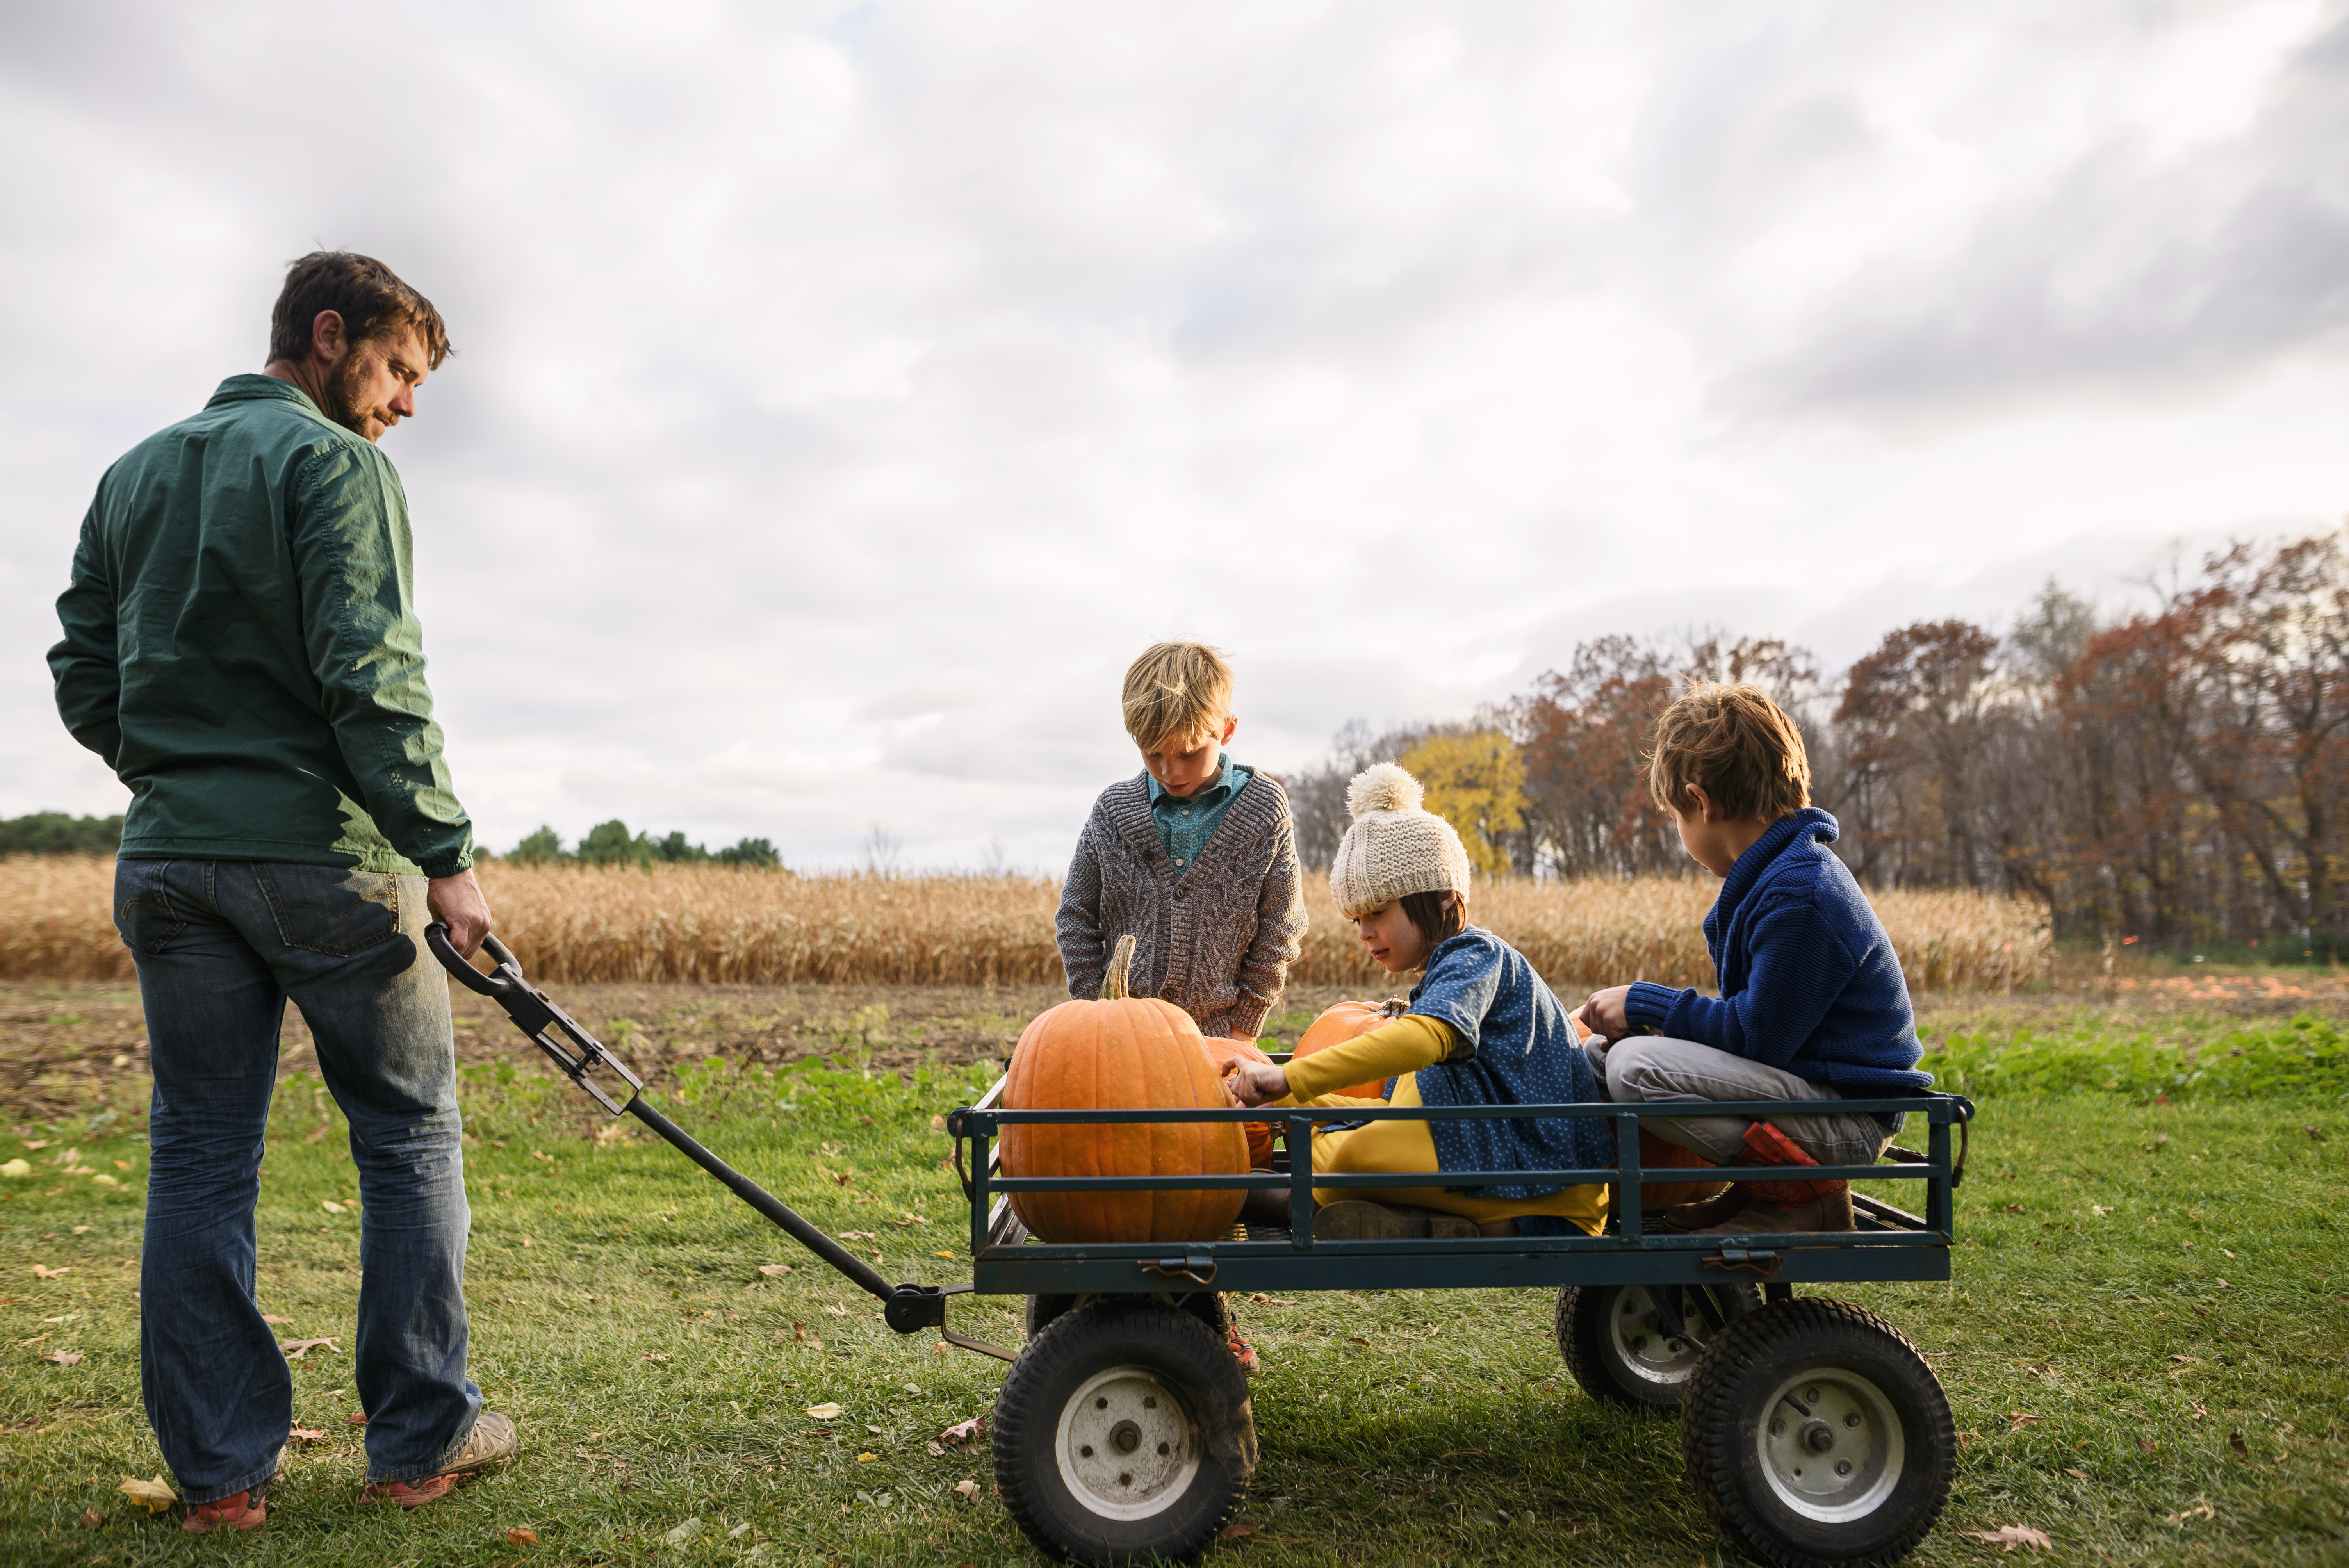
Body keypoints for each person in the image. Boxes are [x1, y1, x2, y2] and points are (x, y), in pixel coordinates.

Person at [48, 252, 515, 1531]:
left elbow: (82, 669)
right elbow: (373, 675)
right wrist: (446, 854)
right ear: (327, 336)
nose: (407, 404)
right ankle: (417, 1441)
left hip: (171, 858)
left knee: (200, 1149)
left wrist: (173, 769)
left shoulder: (133, 474)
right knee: (409, 1129)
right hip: (326, 858)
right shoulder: (336, 467)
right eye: (399, 370)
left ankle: (220, 1480)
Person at [1572, 682, 1932, 1235]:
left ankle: (1805, 1200)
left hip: (1845, 1118)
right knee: (1601, 1054)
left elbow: (1757, 1037)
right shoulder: (1779, 877)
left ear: (1702, 802)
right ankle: (1760, 1193)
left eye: (1676, 817)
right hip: (1808, 1094)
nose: (1681, 831)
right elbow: (1761, 1030)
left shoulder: (1800, 894)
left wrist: (1647, 1004)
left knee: (1636, 1068)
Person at [1055, 641, 1307, 1370]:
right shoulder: (1114, 811)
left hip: (1217, 1049)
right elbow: (1078, 915)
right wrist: (1095, 1020)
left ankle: (1204, 1322)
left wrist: (1239, 1033)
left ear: (1225, 732)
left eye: (1186, 754)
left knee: (1205, 1195)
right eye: (1153, 755)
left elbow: (1278, 929)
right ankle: (1108, 1320)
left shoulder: (1263, 809)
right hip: (1117, 1052)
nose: (1170, 770)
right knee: (1121, 1188)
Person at [1228, 764, 1613, 1238]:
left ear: (1446, 897)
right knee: (1332, 1138)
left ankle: (1301, 1195)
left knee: (1347, 1155)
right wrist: (1294, 1104)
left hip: (1545, 1181)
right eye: (1356, 919)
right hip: (1482, 1153)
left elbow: (1425, 1038)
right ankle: (1402, 1214)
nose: (1366, 931)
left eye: (1378, 911)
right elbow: (1399, 1109)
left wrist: (1291, 1079)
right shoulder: (1439, 982)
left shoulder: (1478, 958)